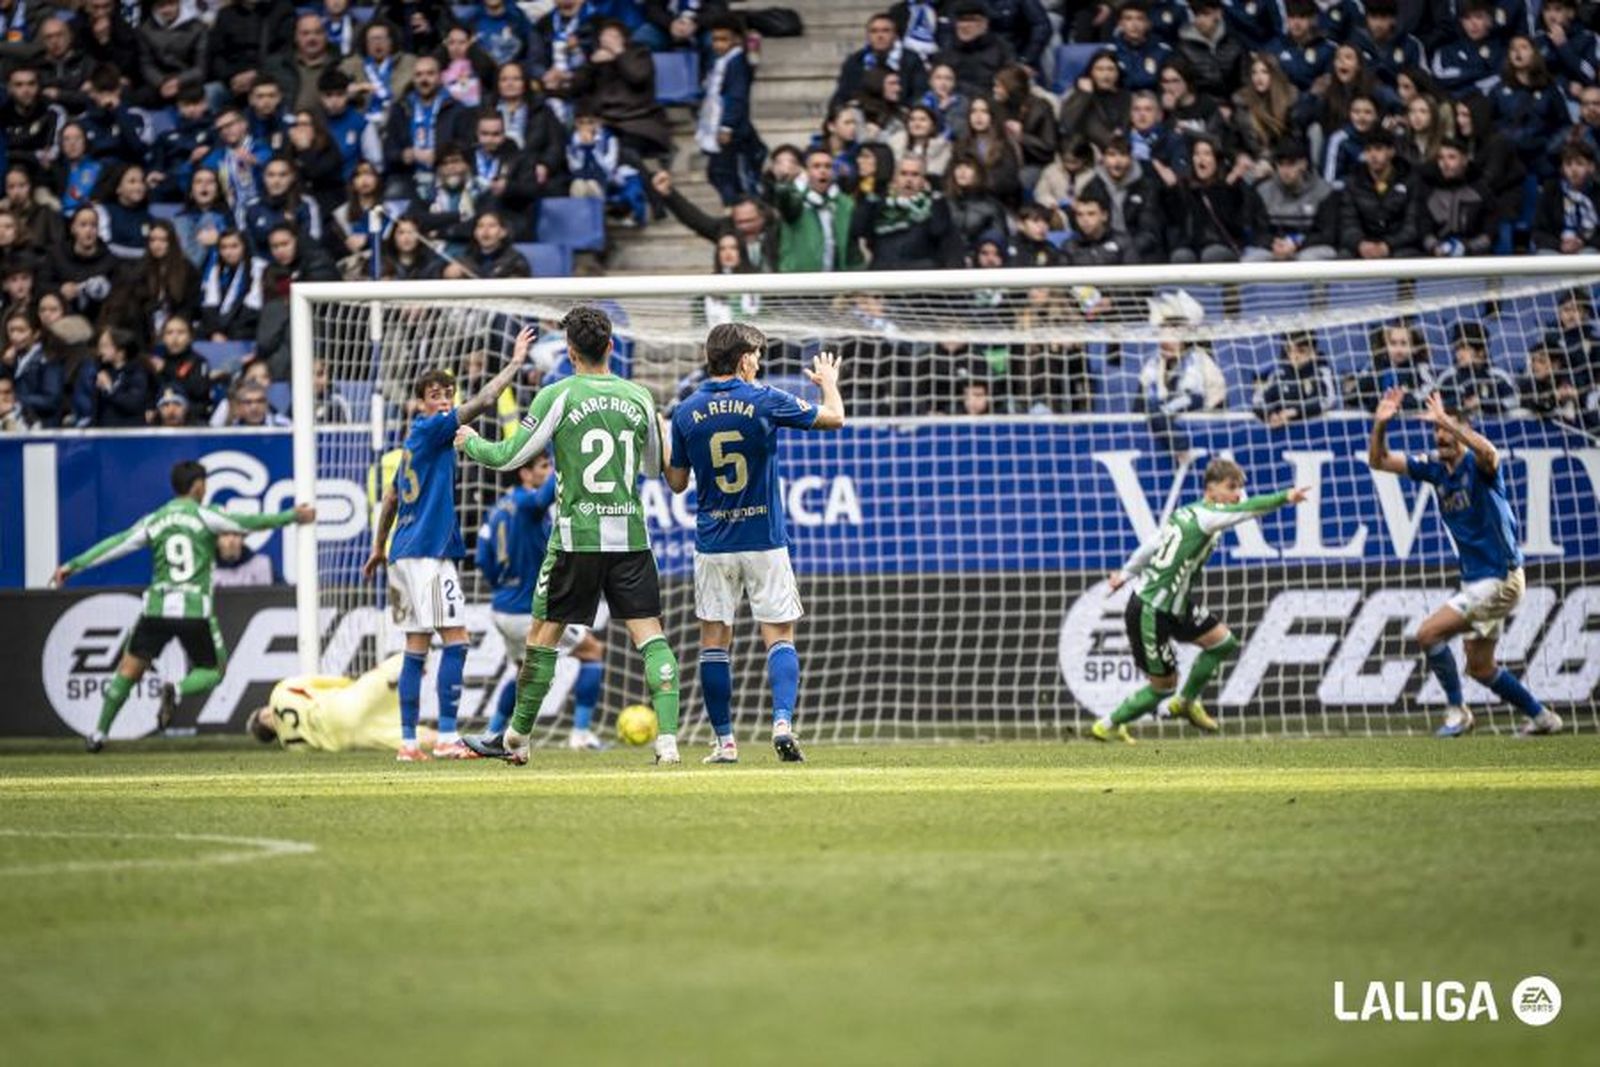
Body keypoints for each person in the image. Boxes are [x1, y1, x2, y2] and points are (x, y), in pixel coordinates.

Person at [457, 307, 683, 766]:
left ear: (570, 352)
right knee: (651, 637)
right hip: (631, 538)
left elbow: (509, 456)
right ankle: (669, 744)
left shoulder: (556, 394)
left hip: (577, 537)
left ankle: (516, 739)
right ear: (612, 347)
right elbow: (658, 466)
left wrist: (470, 442)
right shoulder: (639, 396)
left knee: (543, 637)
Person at [661, 325, 846, 764]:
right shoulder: (764, 398)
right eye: (757, 355)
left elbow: (676, 483)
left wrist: (660, 445)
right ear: (743, 359)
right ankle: (781, 721)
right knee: (779, 635)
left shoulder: (686, 411)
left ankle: (725, 743)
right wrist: (829, 385)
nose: (760, 363)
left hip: (714, 543)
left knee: (713, 642)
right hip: (763, 538)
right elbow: (835, 418)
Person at [51, 459, 315, 751]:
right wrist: (291, 515)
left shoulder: (155, 519)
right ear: (199, 486)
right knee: (214, 670)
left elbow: (116, 544)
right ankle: (176, 689)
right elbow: (249, 524)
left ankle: (98, 734)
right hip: (193, 609)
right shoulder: (206, 515)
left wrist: (72, 566)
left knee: (128, 670)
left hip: (157, 608)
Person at [363, 326, 531, 762]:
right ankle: (448, 736)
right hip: (427, 555)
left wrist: (379, 547)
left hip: (402, 552)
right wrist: (514, 363)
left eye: (447, 393)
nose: (443, 400)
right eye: (435, 394)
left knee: (416, 647)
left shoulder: (411, 444)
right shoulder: (434, 428)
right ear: (422, 402)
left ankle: (407, 742)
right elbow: (485, 402)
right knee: (455, 640)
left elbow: (391, 498)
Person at [1367, 389, 1563, 737]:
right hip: (1478, 580)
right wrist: (1380, 425)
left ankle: (1458, 712)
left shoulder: (1480, 466)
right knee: (1480, 667)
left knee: (1428, 633)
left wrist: (1448, 421)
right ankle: (1542, 717)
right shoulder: (1436, 470)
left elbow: (1489, 451)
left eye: (1447, 430)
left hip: (1499, 577)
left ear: (1461, 433)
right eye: (1437, 431)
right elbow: (1379, 461)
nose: (1441, 436)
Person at [1095, 458, 1309, 743]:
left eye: (1240, 488)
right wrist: (1285, 497)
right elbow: (1247, 510)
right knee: (1163, 687)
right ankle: (1108, 724)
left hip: (1176, 606)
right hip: (1151, 609)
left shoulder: (1186, 513)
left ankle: (1185, 702)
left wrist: (1125, 573)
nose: (1237, 494)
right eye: (1231, 487)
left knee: (1223, 642)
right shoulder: (1209, 516)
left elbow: (1152, 545)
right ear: (1210, 489)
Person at [477, 452, 610, 750]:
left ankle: (493, 733)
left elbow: (482, 558)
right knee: (591, 652)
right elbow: (542, 500)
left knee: (523, 671)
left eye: (551, 465)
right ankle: (581, 734)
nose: (549, 471)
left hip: (502, 607)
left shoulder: (498, 507)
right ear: (525, 474)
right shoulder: (527, 504)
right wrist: (567, 459)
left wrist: (504, 584)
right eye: (544, 467)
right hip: (527, 609)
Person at [246, 655, 419, 752]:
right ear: (264, 712)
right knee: (404, 661)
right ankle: (426, 655)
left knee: (411, 740)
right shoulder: (279, 692)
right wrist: (354, 684)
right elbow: (328, 682)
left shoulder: (292, 746)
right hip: (342, 705)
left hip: (348, 738)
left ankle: (442, 739)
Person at [697, 13, 765, 206]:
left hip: (731, 131)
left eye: (723, 39)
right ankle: (737, 204)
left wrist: (727, 126)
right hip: (719, 125)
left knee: (725, 173)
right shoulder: (720, 61)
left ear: (736, 39)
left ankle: (737, 206)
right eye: (715, 39)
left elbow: (736, 97)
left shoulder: (738, 63)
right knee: (720, 173)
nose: (718, 44)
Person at [1254, 330, 1339, 427]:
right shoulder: (1279, 374)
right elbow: (1258, 400)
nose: (1295, 356)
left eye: (1301, 351)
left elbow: (1327, 401)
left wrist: (1295, 412)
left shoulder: (1321, 372)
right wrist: (1271, 415)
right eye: (1290, 350)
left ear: (1313, 353)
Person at [1435, 320, 1519, 416]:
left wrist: (1482, 403)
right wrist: (1460, 403)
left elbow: (1513, 401)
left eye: (1465, 348)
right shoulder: (1448, 377)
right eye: (1457, 349)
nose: (1459, 354)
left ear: (1481, 351)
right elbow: (1432, 404)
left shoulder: (1498, 375)